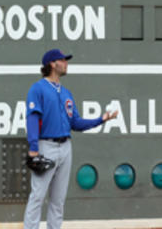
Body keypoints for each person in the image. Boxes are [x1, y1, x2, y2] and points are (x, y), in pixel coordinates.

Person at [23, 48, 118, 229]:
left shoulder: (66, 93)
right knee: (37, 196)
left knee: (58, 200)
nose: (66, 63)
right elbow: (32, 118)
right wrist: (33, 147)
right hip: (45, 146)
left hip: (66, 146)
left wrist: (101, 120)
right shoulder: (38, 89)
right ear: (52, 64)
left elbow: (76, 122)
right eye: (63, 60)